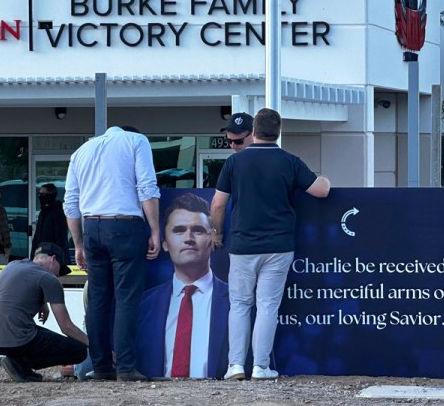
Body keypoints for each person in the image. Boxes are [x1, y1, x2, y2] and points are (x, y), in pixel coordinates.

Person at [210, 108, 330, 381]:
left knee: (239, 305)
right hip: (278, 245)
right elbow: (321, 190)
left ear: (253, 132)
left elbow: (218, 203)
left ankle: (236, 365)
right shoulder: (289, 161)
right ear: (278, 131)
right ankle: (261, 367)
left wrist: (217, 232)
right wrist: (326, 178)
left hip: (242, 245)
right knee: (267, 306)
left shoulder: (234, 163)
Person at [63, 126, 161, 382]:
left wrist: (79, 244)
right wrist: (155, 230)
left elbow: (71, 202)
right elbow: (147, 188)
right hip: (125, 225)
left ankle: (102, 366)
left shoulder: (82, 151)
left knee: (97, 301)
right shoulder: (137, 141)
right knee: (126, 298)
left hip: (91, 226)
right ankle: (126, 367)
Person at [137, 192, 229, 379]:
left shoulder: (238, 303)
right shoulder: (143, 306)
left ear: (211, 240)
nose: (188, 237)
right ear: (164, 243)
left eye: (198, 230)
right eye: (179, 230)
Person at [0, 242, 89, 382]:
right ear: (53, 259)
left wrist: (43, 304)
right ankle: (20, 364)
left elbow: (22, 289)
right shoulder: (49, 279)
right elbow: (66, 326)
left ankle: (18, 363)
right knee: (78, 350)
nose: (58, 275)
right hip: (17, 339)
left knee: (37, 334)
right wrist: (92, 345)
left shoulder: (12, 266)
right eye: (59, 270)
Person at [30, 183, 69, 260]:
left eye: (43, 194)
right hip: (40, 254)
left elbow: (60, 238)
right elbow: (37, 236)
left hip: (51, 257)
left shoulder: (58, 213)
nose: (40, 196)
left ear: (51, 195)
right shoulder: (43, 212)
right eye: (39, 194)